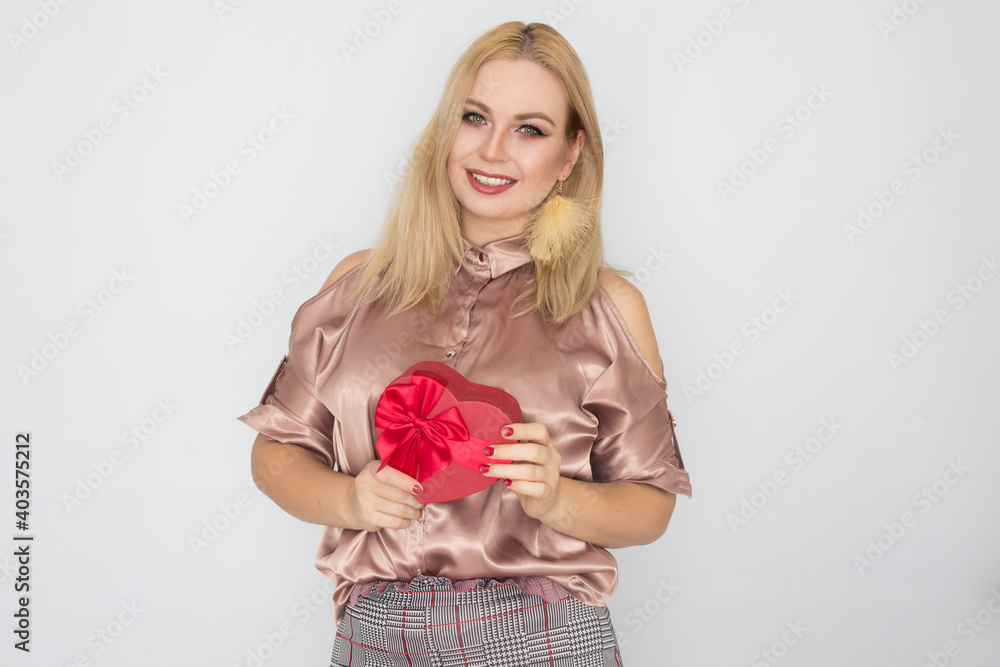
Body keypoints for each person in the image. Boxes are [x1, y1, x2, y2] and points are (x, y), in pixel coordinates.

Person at [238, 20, 691, 666]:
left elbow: (651, 505)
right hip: (375, 638)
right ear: (446, 127)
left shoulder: (609, 308)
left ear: (570, 154)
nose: (493, 150)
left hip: (540, 640)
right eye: (475, 117)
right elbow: (272, 456)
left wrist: (561, 498)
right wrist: (350, 498)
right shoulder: (355, 287)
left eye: (529, 129)